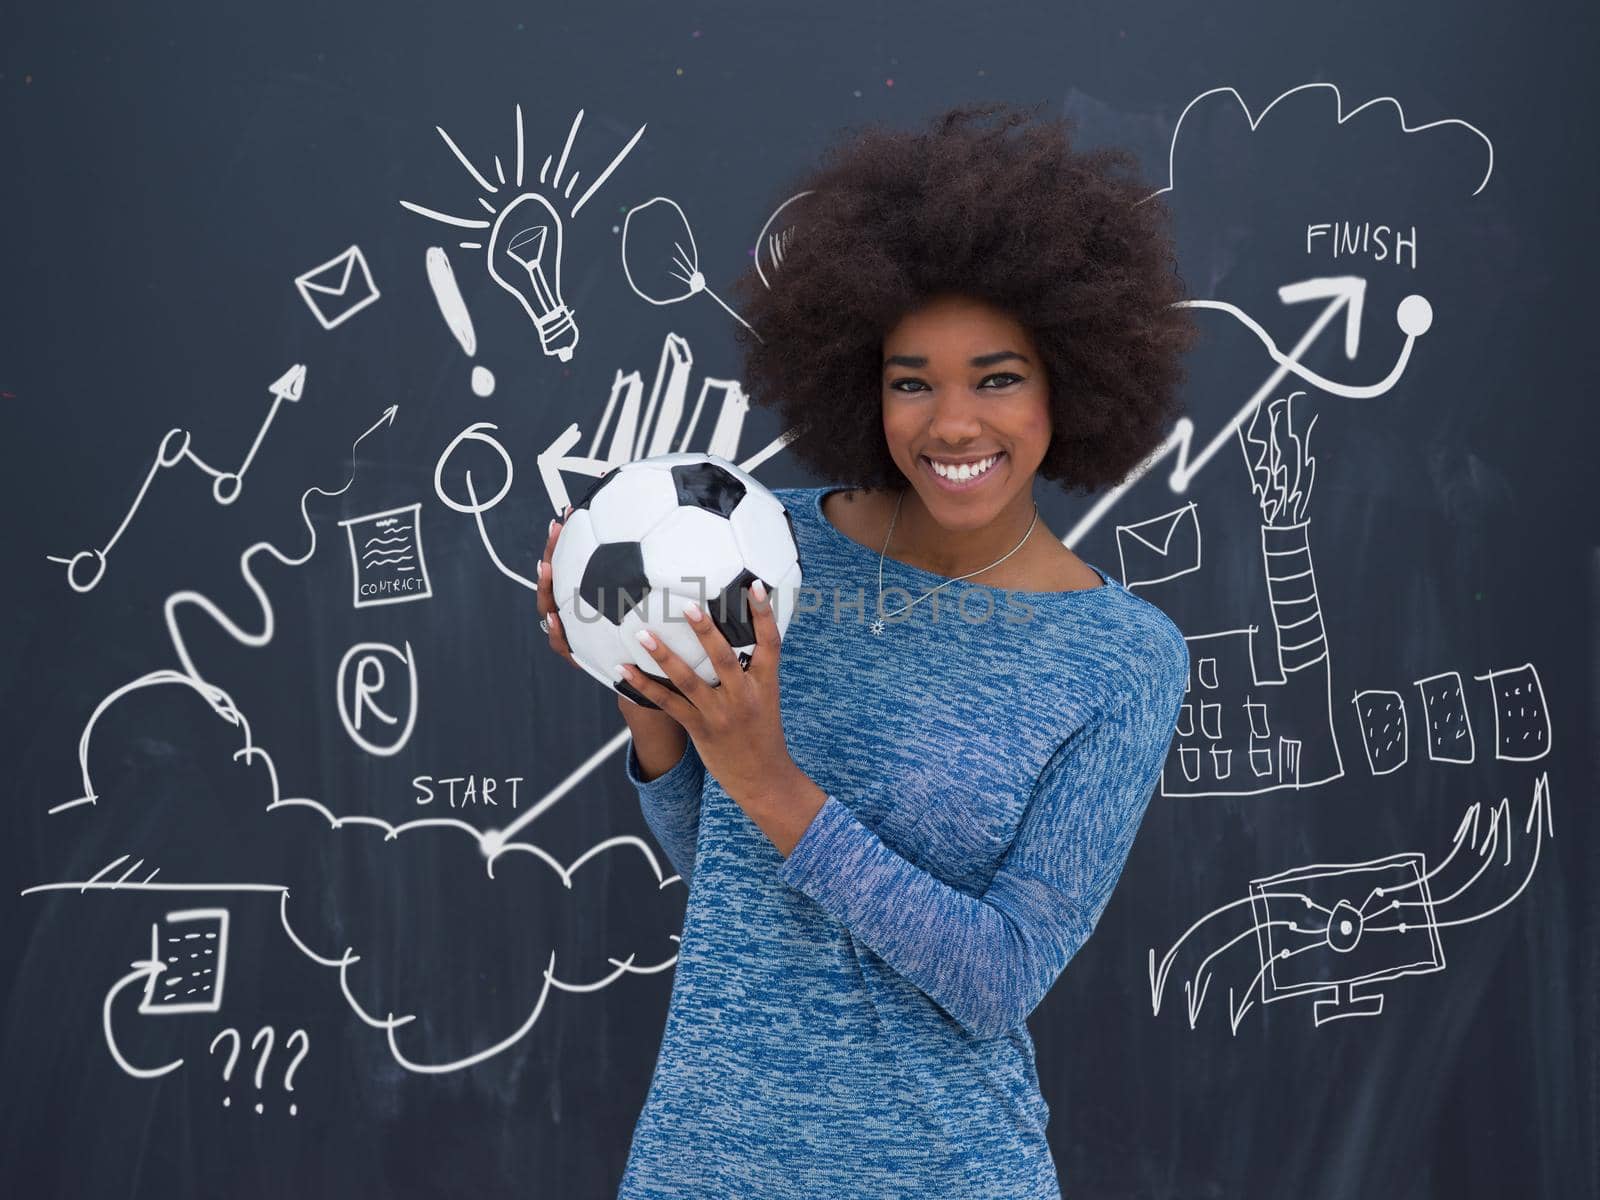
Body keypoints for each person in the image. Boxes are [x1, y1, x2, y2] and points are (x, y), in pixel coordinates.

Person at [536, 100, 1198, 1200]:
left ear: (1072, 381)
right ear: (859, 381)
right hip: (707, 1161)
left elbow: (996, 978)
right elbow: (724, 875)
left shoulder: (1121, 658)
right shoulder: (763, 546)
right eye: (909, 381)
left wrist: (771, 778)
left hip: (941, 1171)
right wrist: (652, 707)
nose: (950, 425)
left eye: (997, 376)